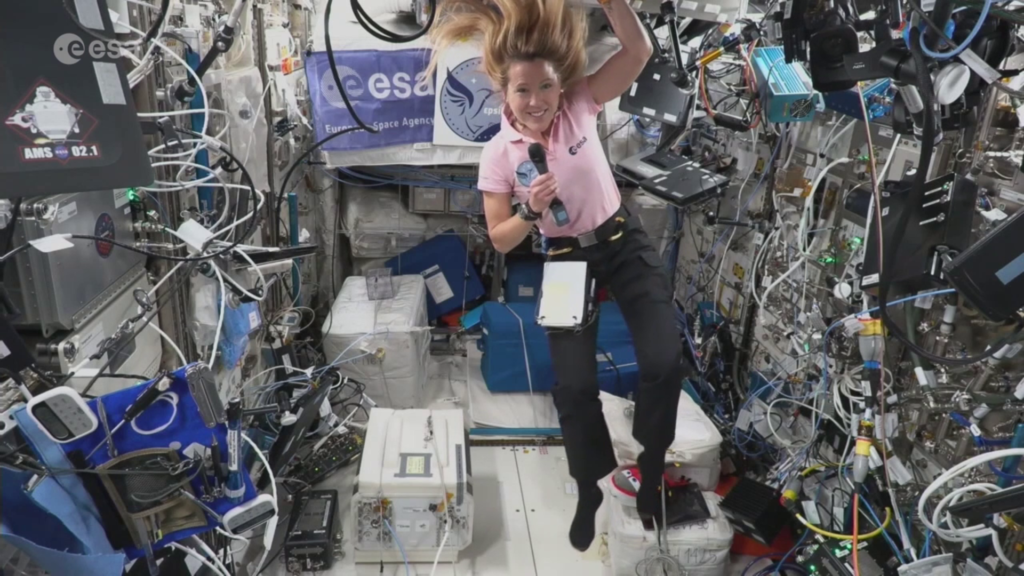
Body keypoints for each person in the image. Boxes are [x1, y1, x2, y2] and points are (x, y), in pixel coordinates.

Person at [430, 0, 692, 552]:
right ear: (505, 92)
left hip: (622, 242)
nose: (536, 102)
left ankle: (649, 466)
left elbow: (639, 51)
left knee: (664, 360)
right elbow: (499, 236)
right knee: (572, 385)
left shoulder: (579, 104)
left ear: (559, 86)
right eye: (523, 92)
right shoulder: (498, 155)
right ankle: (588, 488)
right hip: (566, 257)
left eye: (545, 89)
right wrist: (528, 212)